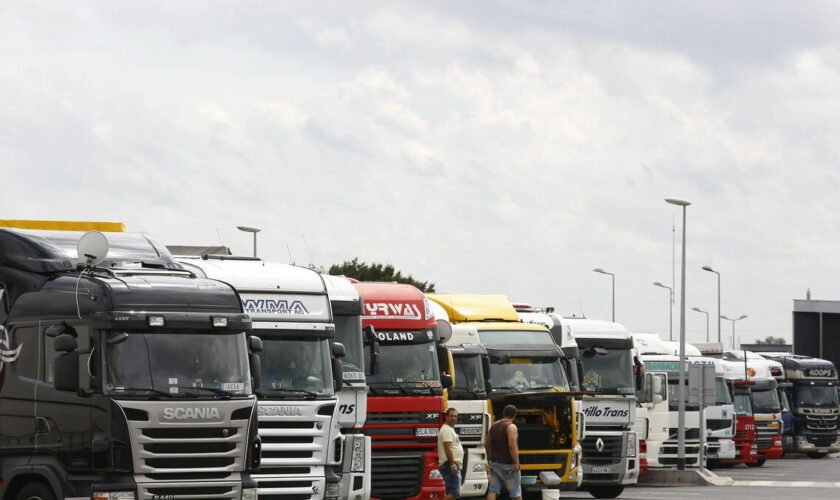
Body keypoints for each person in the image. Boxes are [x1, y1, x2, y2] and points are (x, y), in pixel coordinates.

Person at [485, 404, 522, 500]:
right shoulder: (511, 427)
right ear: (514, 415)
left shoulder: (493, 426)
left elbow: (487, 443)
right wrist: (516, 462)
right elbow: (512, 446)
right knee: (515, 492)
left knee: (493, 490)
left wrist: (489, 458)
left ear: (503, 413)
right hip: (508, 465)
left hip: (495, 463)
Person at [437, 407, 464, 500]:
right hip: (450, 464)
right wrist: (452, 465)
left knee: (451, 493)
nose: (453, 418)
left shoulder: (449, 429)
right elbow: (447, 447)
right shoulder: (447, 429)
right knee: (455, 492)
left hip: (451, 464)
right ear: (446, 417)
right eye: (451, 416)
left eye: (455, 416)